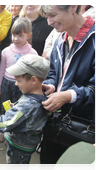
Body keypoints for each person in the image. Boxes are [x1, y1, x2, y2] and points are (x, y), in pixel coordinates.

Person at [39, 5, 97, 170]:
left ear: (72, 7)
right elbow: (54, 74)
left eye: (53, 15)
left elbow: (95, 88)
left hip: (81, 129)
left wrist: (67, 96)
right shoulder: (59, 39)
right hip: (55, 125)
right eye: (46, 16)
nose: (49, 22)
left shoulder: (95, 40)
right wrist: (50, 85)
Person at [0, 54, 50, 170]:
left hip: (19, 148)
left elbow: (0, 123)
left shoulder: (26, 106)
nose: (16, 83)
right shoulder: (41, 96)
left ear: (33, 80)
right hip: (28, 145)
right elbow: (32, 116)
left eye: (18, 80)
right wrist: (17, 107)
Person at [0, 17, 38, 143]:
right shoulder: (6, 51)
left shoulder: (33, 53)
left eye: (20, 35)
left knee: (18, 108)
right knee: (5, 106)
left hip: (22, 86)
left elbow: (32, 75)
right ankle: (3, 129)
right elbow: (1, 70)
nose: (16, 39)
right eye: (14, 35)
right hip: (6, 84)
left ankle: (13, 130)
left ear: (28, 35)